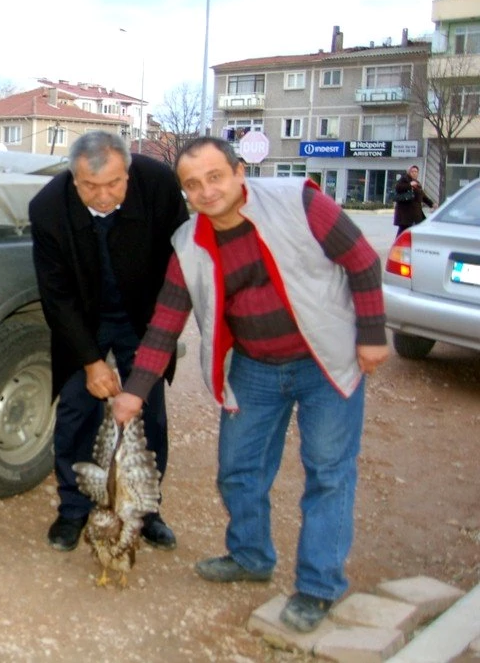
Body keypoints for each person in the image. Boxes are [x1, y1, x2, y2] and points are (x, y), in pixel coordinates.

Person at [109, 137, 388, 634]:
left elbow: (362, 260)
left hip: (325, 359)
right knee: (239, 470)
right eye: (192, 184)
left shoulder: (299, 201)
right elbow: (165, 323)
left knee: (328, 472)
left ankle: (318, 586)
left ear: (240, 173)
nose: (206, 191)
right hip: (254, 368)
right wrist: (134, 391)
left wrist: (370, 334)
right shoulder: (188, 243)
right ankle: (251, 556)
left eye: (215, 177)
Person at [28, 131, 189, 554]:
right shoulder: (47, 209)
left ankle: (146, 510)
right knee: (76, 411)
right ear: (73, 178)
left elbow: (180, 264)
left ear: (128, 173)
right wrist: (90, 361)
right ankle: (73, 510)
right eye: (90, 187)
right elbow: (57, 296)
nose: (103, 196)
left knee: (148, 414)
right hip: (83, 319)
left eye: (114, 184)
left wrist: (159, 340)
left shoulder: (158, 185)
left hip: (146, 316)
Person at [392, 165, 435, 235]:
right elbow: (398, 188)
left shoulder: (417, 183)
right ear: (409, 172)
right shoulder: (404, 179)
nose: (414, 173)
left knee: (411, 231)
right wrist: (410, 185)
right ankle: (398, 244)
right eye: (412, 171)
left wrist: (431, 204)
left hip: (415, 213)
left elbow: (422, 196)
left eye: (416, 171)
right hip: (405, 213)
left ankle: (405, 244)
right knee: (403, 230)